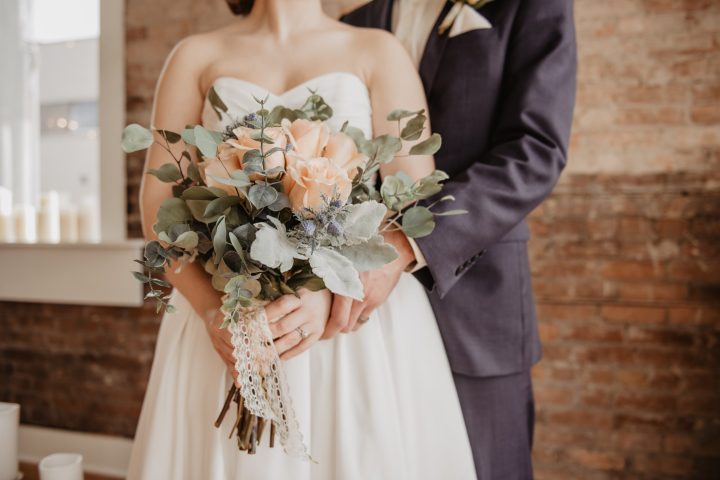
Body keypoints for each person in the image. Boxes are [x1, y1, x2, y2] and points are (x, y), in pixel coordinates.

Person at [127, 0, 476, 478]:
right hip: (232, 314)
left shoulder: (377, 50)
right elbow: (157, 207)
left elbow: (412, 202)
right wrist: (214, 311)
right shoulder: (195, 55)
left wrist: (325, 290)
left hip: (350, 328)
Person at [336, 0, 577, 478]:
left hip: (476, 304)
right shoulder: (354, 23)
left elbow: (535, 150)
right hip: (361, 324)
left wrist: (407, 242)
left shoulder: (532, 6)